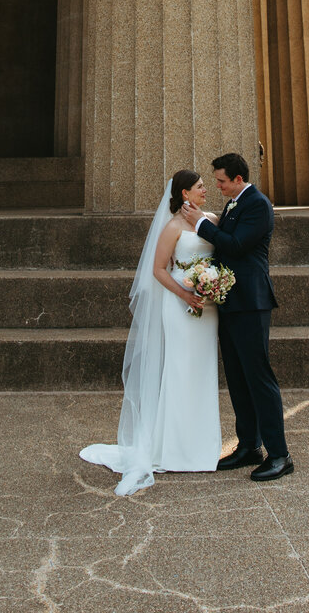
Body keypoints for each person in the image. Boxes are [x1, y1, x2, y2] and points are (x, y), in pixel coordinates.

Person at [79, 169, 222, 495]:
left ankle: (202, 447)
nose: (205, 192)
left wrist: (214, 286)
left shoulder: (213, 219)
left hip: (208, 309)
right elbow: (158, 269)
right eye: (200, 188)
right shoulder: (172, 227)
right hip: (180, 306)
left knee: (202, 372)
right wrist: (186, 293)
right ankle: (172, 448)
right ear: (185, 194)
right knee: (178, 371)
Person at [182, 151, 293, 481]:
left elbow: (237, 245)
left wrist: (200, 223)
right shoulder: (233, 204)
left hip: (252, 302)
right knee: (237, 377)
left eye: (221, 181)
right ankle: (248, 446)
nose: (217, 186)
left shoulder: (257, 204)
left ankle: (280, 454)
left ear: (239, 180)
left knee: (259, 378)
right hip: (229, 301)